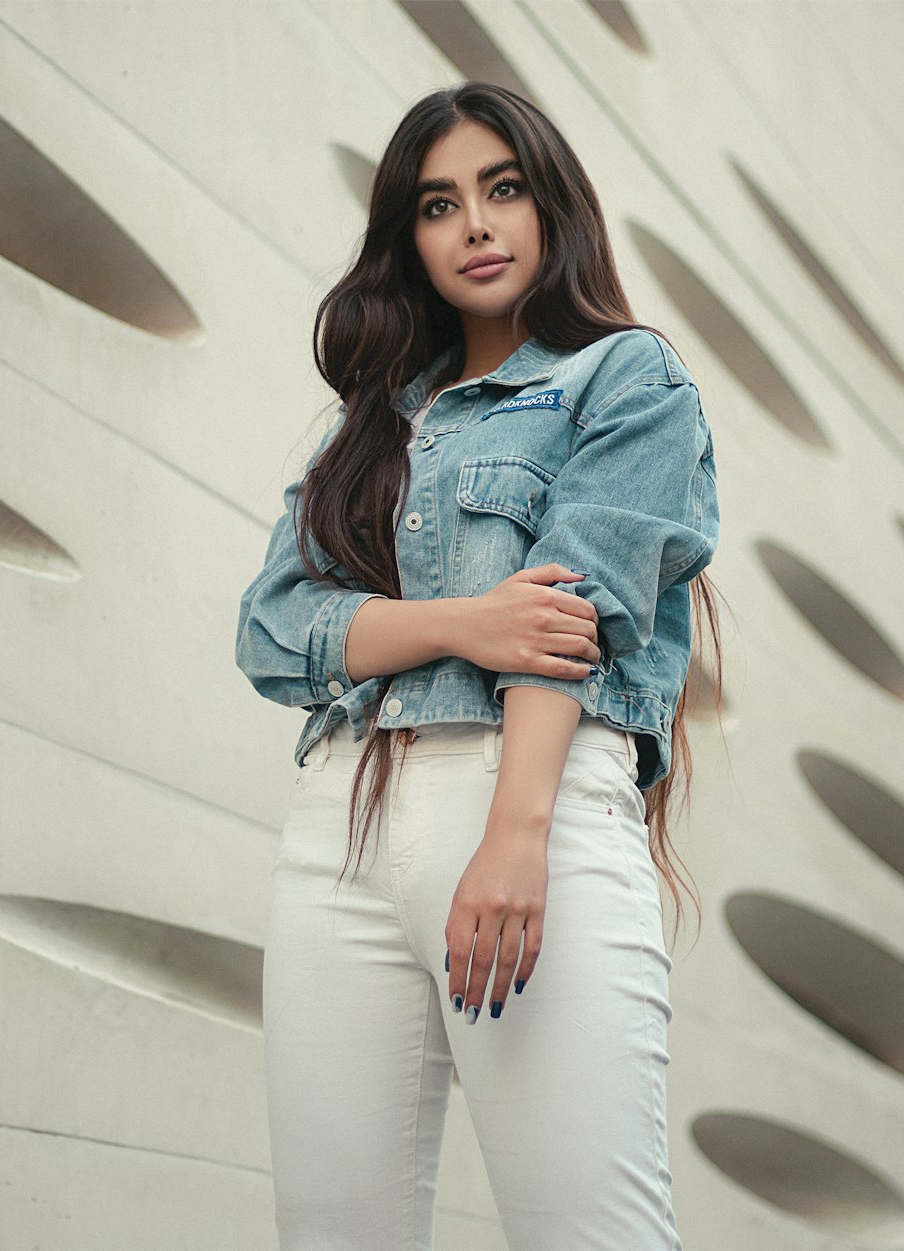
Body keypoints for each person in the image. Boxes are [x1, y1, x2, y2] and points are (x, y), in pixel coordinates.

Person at [236, 80, 721, 1251]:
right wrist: (460, 621)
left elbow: (566, 617)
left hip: (529, 808)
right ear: (409, 240)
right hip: (340, 830)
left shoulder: (625, 380)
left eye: (503, 190)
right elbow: (271, 628)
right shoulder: (373, 423)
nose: (477, 225)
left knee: (585, 1231)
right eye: (438, 205)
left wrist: (515, 835)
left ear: (551, 206)